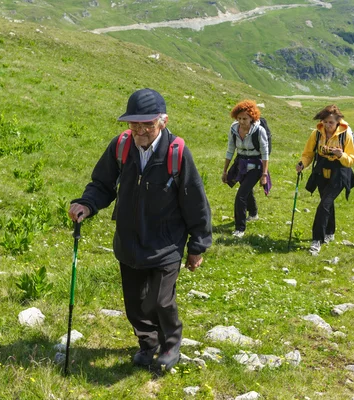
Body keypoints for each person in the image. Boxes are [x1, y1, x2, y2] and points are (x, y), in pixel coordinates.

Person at [68, 88, 212, 371]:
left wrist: (198, 245)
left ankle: (171, 346)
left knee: (160, 300)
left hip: (166, 244)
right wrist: (87, 204)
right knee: (134, 304)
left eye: (147, 123)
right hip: (129, 240)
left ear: (163, 121)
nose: (140, 130)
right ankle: (148, 343)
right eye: (134, 123)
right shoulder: (120, 147)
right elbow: (102, 184)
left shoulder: (177, 153)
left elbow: (196, 201)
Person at [295, 104, 354, 254]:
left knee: (323, 205)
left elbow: (352, 159)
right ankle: (330, 232)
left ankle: (317, 240)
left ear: (338, 122)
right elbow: (308, 153)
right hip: (321, 172)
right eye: (325, 121)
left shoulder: (345, 135)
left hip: (340, 173)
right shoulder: (316, 134)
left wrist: (340, 155)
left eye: (331, 122)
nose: (328, 125)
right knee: (327, 203)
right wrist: (302, 164)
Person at [222, 100, 270, 238]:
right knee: (246, 189)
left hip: (256, 166)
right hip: (241, 163)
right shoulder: (233, 129)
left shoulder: (259, 131)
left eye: (245, 118)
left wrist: (264, 174)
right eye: (239, 118)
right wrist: (225, 170)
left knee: (240, 196)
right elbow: (230, 149)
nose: (242, 122)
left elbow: (265, 153)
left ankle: (240, 228)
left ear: (252, 117)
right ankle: (254, 214)